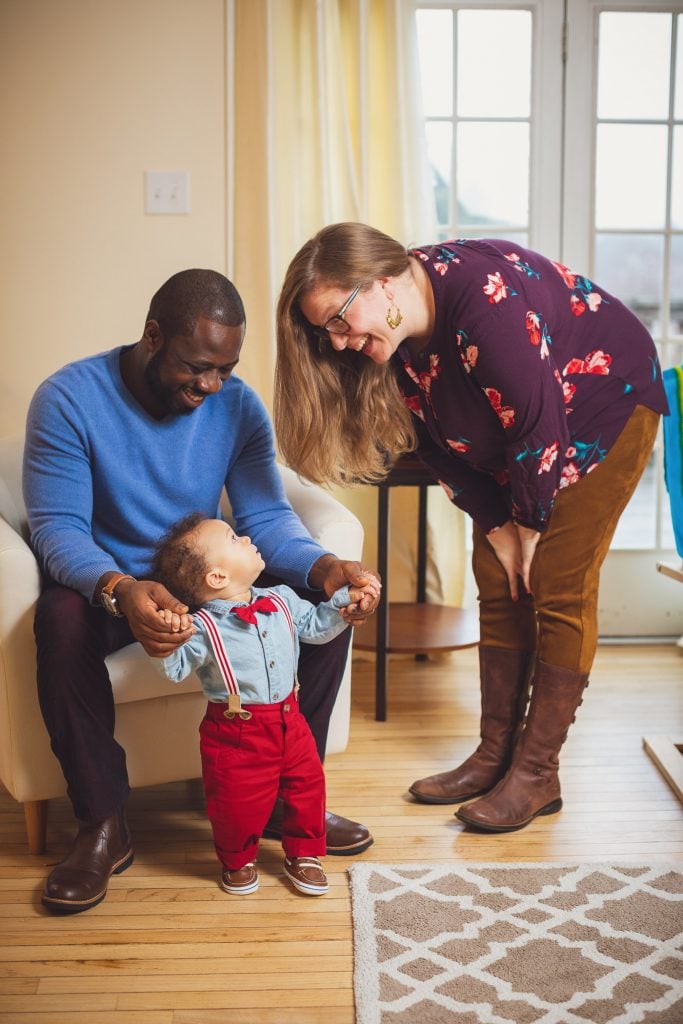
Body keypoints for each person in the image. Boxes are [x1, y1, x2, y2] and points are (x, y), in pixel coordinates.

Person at [274, 222, 668, 834]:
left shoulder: (485, 304)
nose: (340, 341)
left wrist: (530, 527)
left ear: (383, 282)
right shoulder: (397, 339)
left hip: (602, 402)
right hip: (523, 444)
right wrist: (496, 524)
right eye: (327, 331)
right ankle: (494, 756)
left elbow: (538, 424)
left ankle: (537, 774)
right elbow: (436, 446)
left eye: (341, 319)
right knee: (498, 576)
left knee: (556, 584)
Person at [23, 268, 380, 915]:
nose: (211, 386)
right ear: (153, 336)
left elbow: (267, 518)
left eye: (225, 368)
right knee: (58, 618)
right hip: (115, 584)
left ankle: (285, 798)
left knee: (316, 605)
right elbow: (58, 528)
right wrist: (119, 587)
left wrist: (329, 569)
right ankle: (103, 823)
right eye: (196, 367)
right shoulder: (69, 399)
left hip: (206, 585)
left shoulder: (236, 405)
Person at [151, 513, 366, 897]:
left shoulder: (281, 599)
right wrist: (170, 634)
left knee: (307, 785)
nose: (247, 537)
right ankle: (237, 858)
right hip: (235, 730)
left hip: (290, 719)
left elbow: (316, 626)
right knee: (235, 798)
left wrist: (341, 603)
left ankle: (303, 853)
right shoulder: (202, 628)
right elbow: (176, 668)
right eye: (234, 539)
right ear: (217, 577)